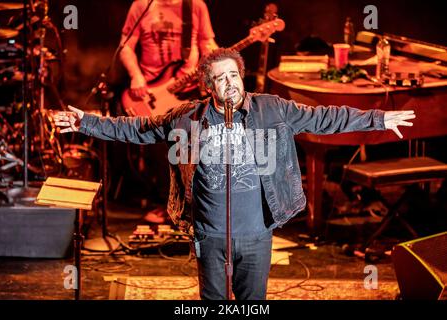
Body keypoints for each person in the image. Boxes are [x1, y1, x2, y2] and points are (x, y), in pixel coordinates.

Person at [53, 48, 415, 300]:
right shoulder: (185, 118)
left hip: (256, 235)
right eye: (220, 78)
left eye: (234, 75)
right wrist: (85, 122)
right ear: (207, 87)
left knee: (252, 301)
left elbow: (326, 117)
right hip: (210, 235)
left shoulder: (273, 109)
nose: (230, 83)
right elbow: (136, 128)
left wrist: (379, 119)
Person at [119, 0, 218, 223]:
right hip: (152, 90)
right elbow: (125, 45)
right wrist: (136, 76)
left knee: (189, 146)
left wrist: (214, 58)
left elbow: (206, 42)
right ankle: (166, 204)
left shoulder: (195, 6)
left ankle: (192, 206)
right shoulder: (141, 5)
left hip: (187, 91)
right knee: (160, 150)